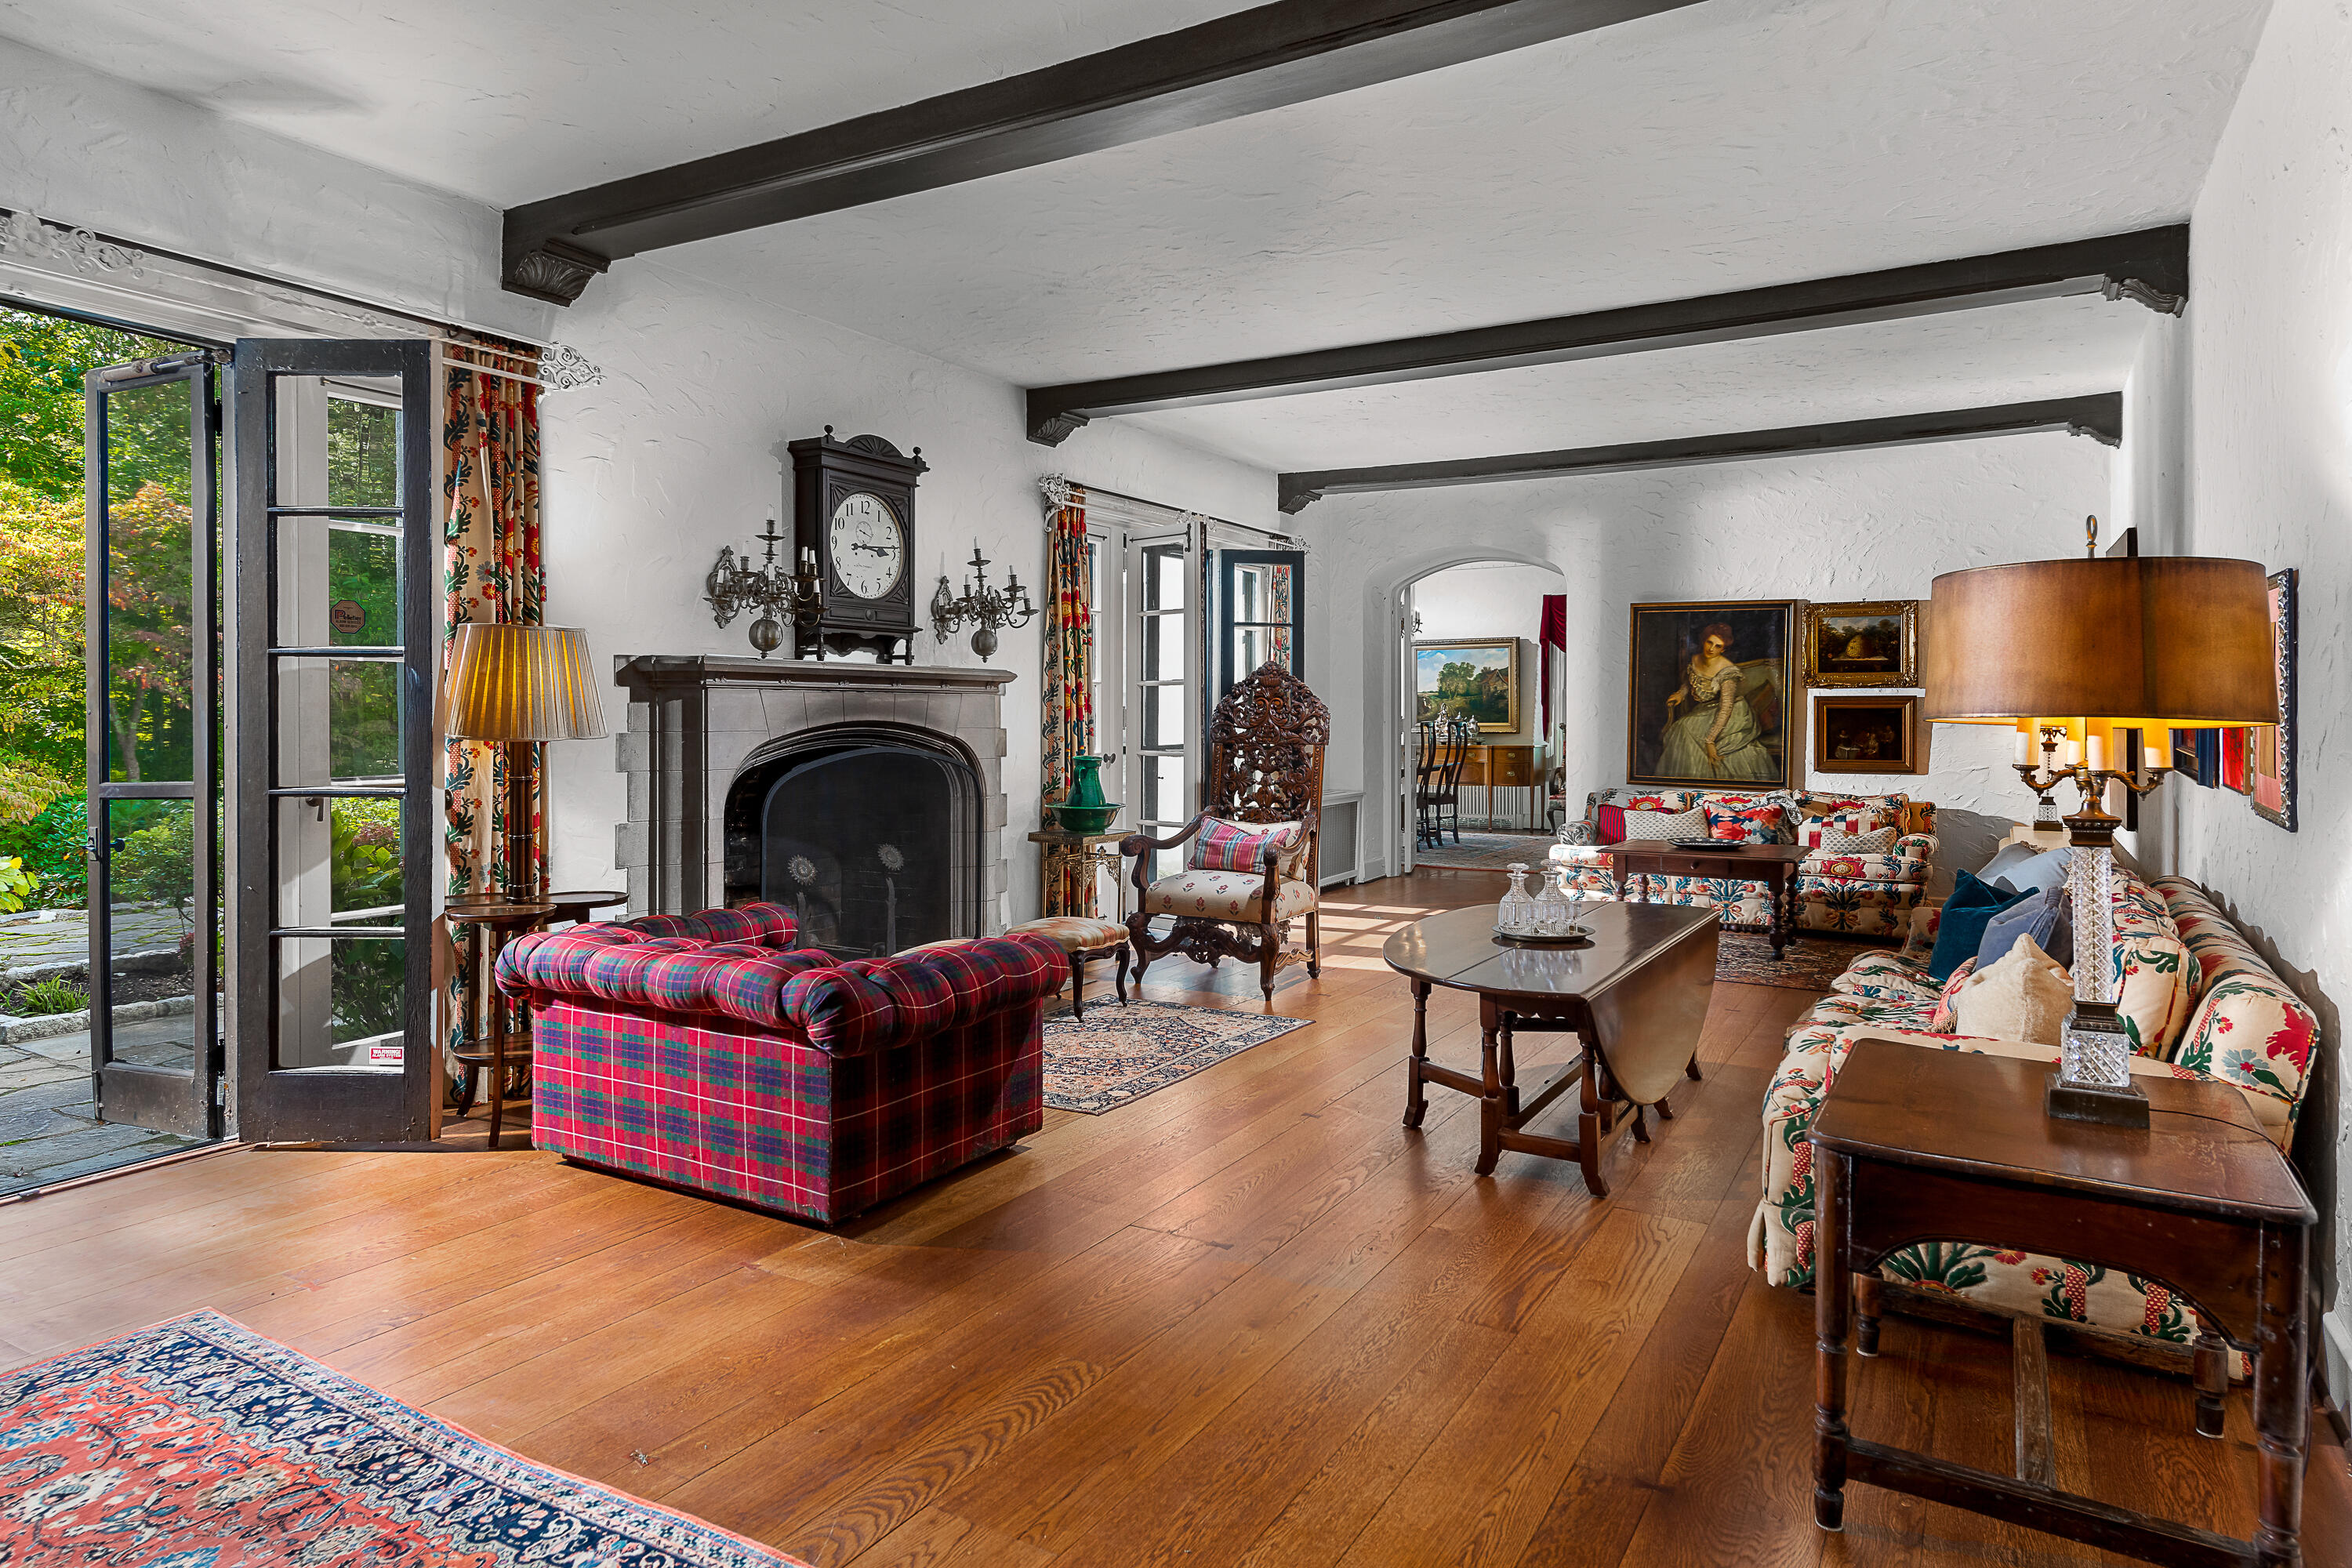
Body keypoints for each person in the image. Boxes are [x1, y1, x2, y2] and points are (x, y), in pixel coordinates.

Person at [1658, 622, 1777, 780]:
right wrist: (1681, 694)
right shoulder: (1696, 659)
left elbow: (1726, 707)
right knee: (1682, 728)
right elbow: (1690, 682)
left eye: (1718, 646)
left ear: (1723, 649)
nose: (1711, 649)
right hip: (1707, 710)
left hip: (1733, 714)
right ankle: (1689, 782)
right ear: (1703, 641)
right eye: (1709, 642)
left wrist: (1710, 741)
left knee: (1687, 729)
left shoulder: (1727, 670)